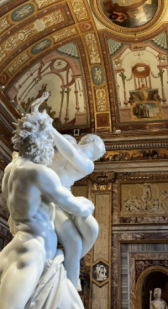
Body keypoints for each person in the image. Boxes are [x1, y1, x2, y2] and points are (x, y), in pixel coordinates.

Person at [0, 93, 94, 309]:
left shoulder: (11, 169)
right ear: (41, 142)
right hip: (32, 252)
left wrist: (37, 113)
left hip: (20, 248)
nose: (53, 149)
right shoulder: (40, 173)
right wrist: (89, 204)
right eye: (50, 143)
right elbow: (74, 206)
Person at [47, 121, 105, 291]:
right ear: (91, 140)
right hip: (50, 198)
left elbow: (71, 154)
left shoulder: (89, 165)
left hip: (66, 196)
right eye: (101, 148)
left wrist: (51, 129)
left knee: (92, 228)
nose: (102, 153)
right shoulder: (68, 140)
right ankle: (69, 284)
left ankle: (65, 265)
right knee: (74, 242)